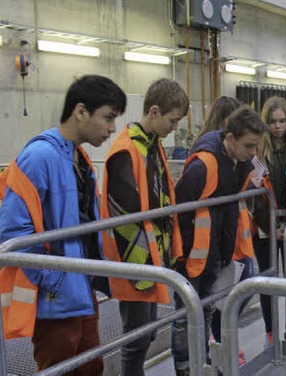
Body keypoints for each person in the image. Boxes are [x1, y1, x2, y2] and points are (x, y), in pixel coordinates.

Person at [0, 75, 126, 374]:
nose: (112, 128)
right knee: (59, 367)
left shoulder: (79, 159)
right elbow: (12, 231)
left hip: (82, 287)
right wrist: (52, 278)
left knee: (90, 366)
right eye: (108, 117)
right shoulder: (39, 157)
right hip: (56, 296)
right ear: (80, 111)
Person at [100, 78, 188, 376]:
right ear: (154, 111)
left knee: (147, 333)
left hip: (151, 260)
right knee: (136, 338)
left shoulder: (151, 146)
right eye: (173, 120)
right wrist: (143, 270)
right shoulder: (126, 151)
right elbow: (124, 220)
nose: (175, 127)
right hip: (136, 264)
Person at [171, 107, 267, 376]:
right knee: (185, 318)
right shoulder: (203, 166)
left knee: (207, 311)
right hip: (192, 258)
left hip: (216, 254)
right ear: (230, 137)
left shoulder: (241, 164)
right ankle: (186, 368)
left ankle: (201, 363)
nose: (252, 153)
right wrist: (182, 255)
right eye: (249, 146)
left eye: (256, 147)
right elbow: (180, 212)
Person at [252, 96, 286, 347]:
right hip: (264, 227)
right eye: (272, 121)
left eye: (282, 121)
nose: (278, 126)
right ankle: (271, 332)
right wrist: (271, 228)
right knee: (268, 281)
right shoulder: (257, 149)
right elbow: (256, 196)